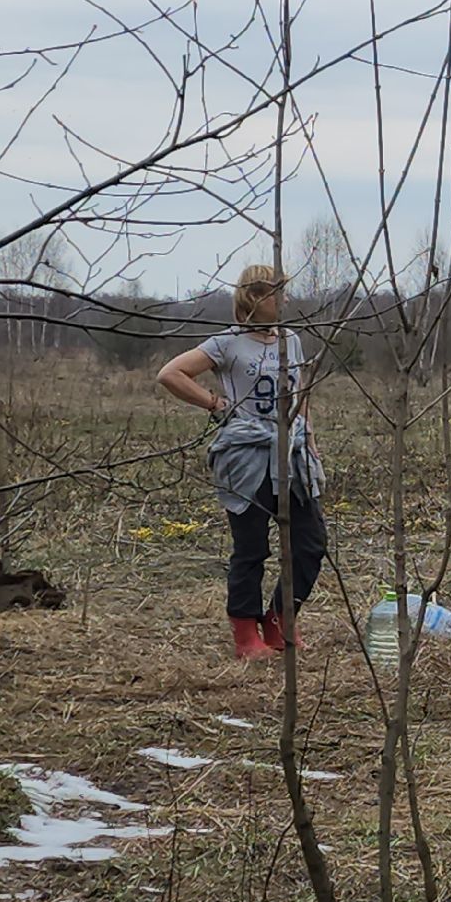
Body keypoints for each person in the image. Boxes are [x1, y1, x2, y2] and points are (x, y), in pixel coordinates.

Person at [157, 265, 328, 661]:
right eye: (274, 294)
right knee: (251, 548)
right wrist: (217, 405)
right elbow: (171, 374)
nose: (282, 300)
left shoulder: (291, 341)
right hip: (247, 457)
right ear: (254, 297)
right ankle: (245, 633)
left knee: (311, 542)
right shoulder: (227, 344)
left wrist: (311, 441)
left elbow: (301, 393)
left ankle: (281, 619)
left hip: (292, 454)